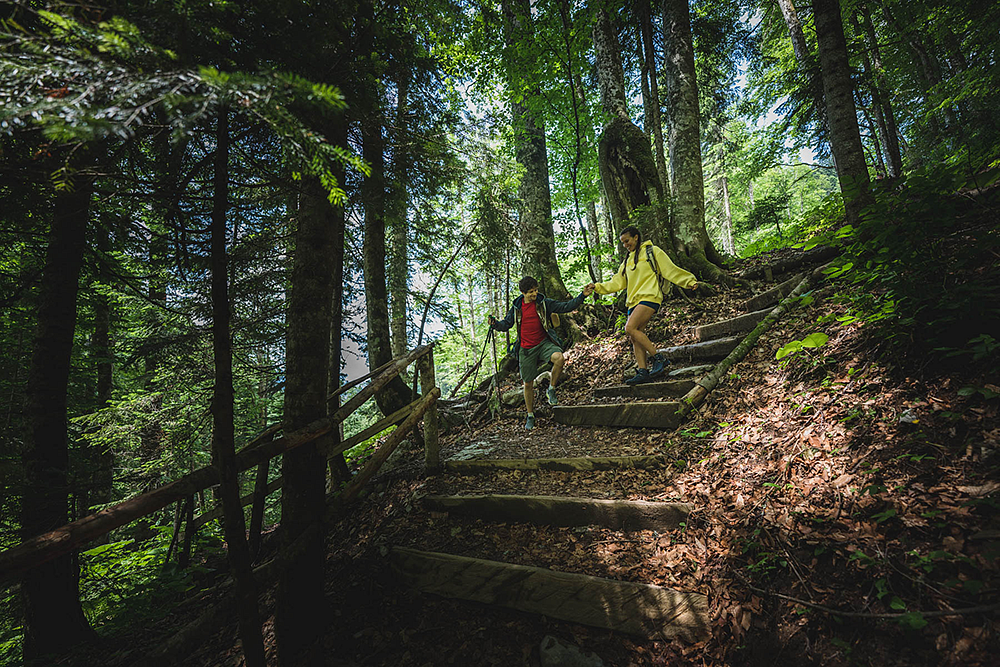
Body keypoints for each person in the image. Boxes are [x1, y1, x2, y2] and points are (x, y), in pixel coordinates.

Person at [586, 226, 698, 385]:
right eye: (623, 243)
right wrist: (597, 287)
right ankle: (643, 371)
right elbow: (617, 283)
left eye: (627, 241)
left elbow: (669, 270)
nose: (625, 245)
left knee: (629, 328)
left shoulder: (653, 251)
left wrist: (688, 281)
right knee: (635, 336)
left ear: (636, 237)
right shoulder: (626, 261)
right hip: (633, 301)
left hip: (650, 297)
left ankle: (659, 358)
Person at [489, 277, 595, 430]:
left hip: (543, 343)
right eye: (531, 292)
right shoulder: (516, 307)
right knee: (528, 383)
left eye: (536, 290)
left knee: (559, 359)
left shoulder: (543, 302)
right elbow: (506, 324)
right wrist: (495, 325)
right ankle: (530, 415)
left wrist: (582, 295)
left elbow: (565, 306)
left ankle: (551, 389)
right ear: (523, 292)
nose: (535, 294)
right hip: (525, 349)